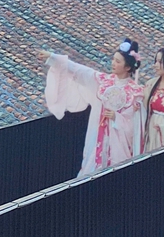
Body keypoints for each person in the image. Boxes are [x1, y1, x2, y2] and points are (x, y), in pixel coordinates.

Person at [43, 39, 145, 176]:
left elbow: (135, 125)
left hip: (119, 144)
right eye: (113, 59)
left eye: (118, 61)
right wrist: (54, 58)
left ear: (127, 67)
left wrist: (117, 118)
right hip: (97, 135)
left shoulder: (135, 92)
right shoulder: (103, 81)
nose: (113, 63)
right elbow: (80, 71)